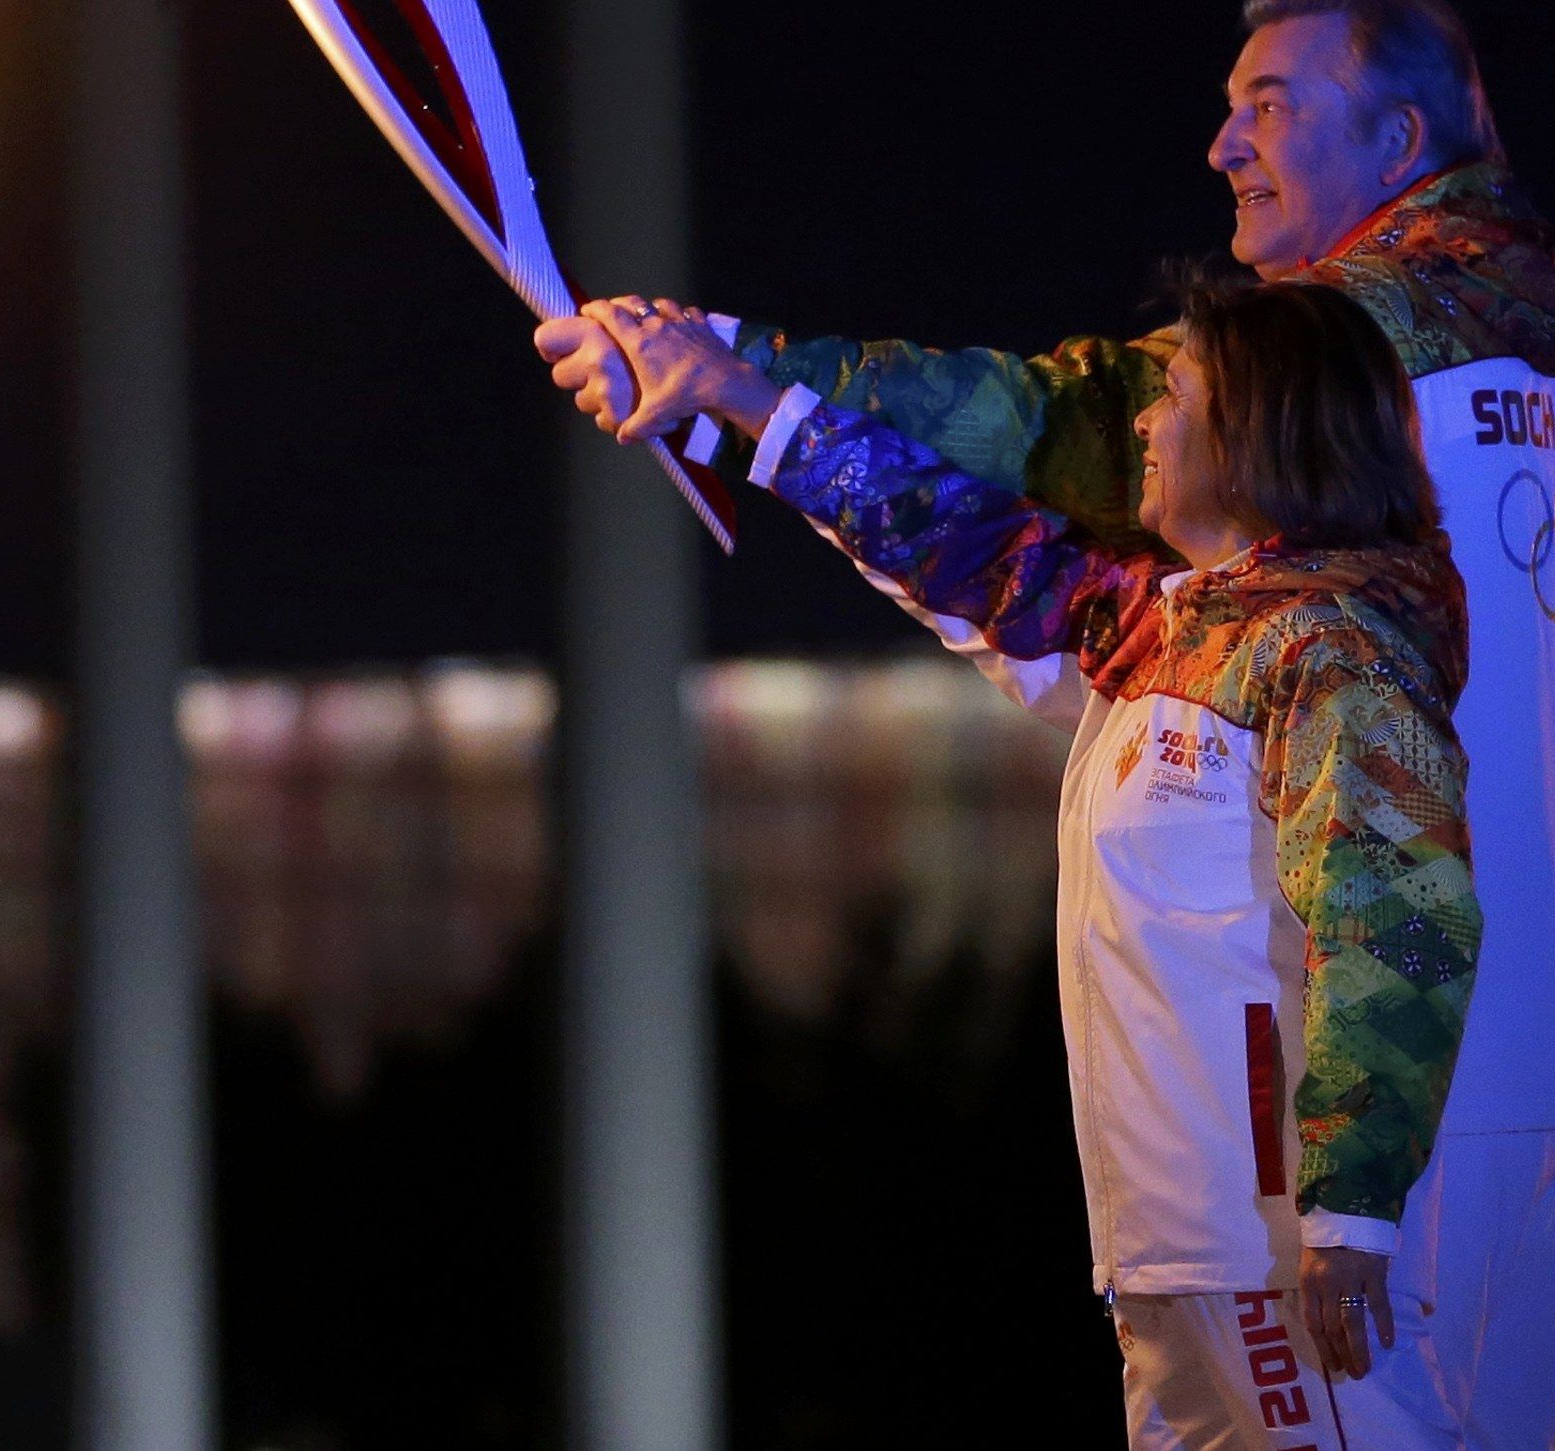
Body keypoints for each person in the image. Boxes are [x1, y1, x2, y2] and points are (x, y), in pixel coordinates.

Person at [541, 0, 1555, 1451]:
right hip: (1512, 1054)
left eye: (1270, 104)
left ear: (1400, 142)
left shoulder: (1355, 382)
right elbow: (1001, 563)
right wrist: (740, 397)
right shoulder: (1534, 373)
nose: (1223, 145)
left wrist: (741, 359)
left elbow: (1043, 424)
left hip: (1375, 1096)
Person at [595, 278, 1480, 1447]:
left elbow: (1404, 924)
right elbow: (956, 542)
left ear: (1258, 427)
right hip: (1164, 1244)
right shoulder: (1161, 629)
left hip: (1275, 1249)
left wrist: (1351, 1220)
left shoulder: (1330, 654)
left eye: (1174, 394)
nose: (1144, 427)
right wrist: (743, 399)